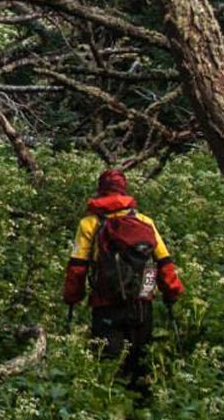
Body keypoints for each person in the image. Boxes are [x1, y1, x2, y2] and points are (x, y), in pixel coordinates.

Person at [62, 168, 183, 393]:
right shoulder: (144, 221)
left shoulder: (89, 223)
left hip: (106, 303)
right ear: (124, 189)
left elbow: (77, 267)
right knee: (140, 361)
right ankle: (141, 410)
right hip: (142, 301)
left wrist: (72, 296)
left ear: (100, 190)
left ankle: (111, 410)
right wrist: (172, 292)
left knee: (109, 365)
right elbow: (164, 261)